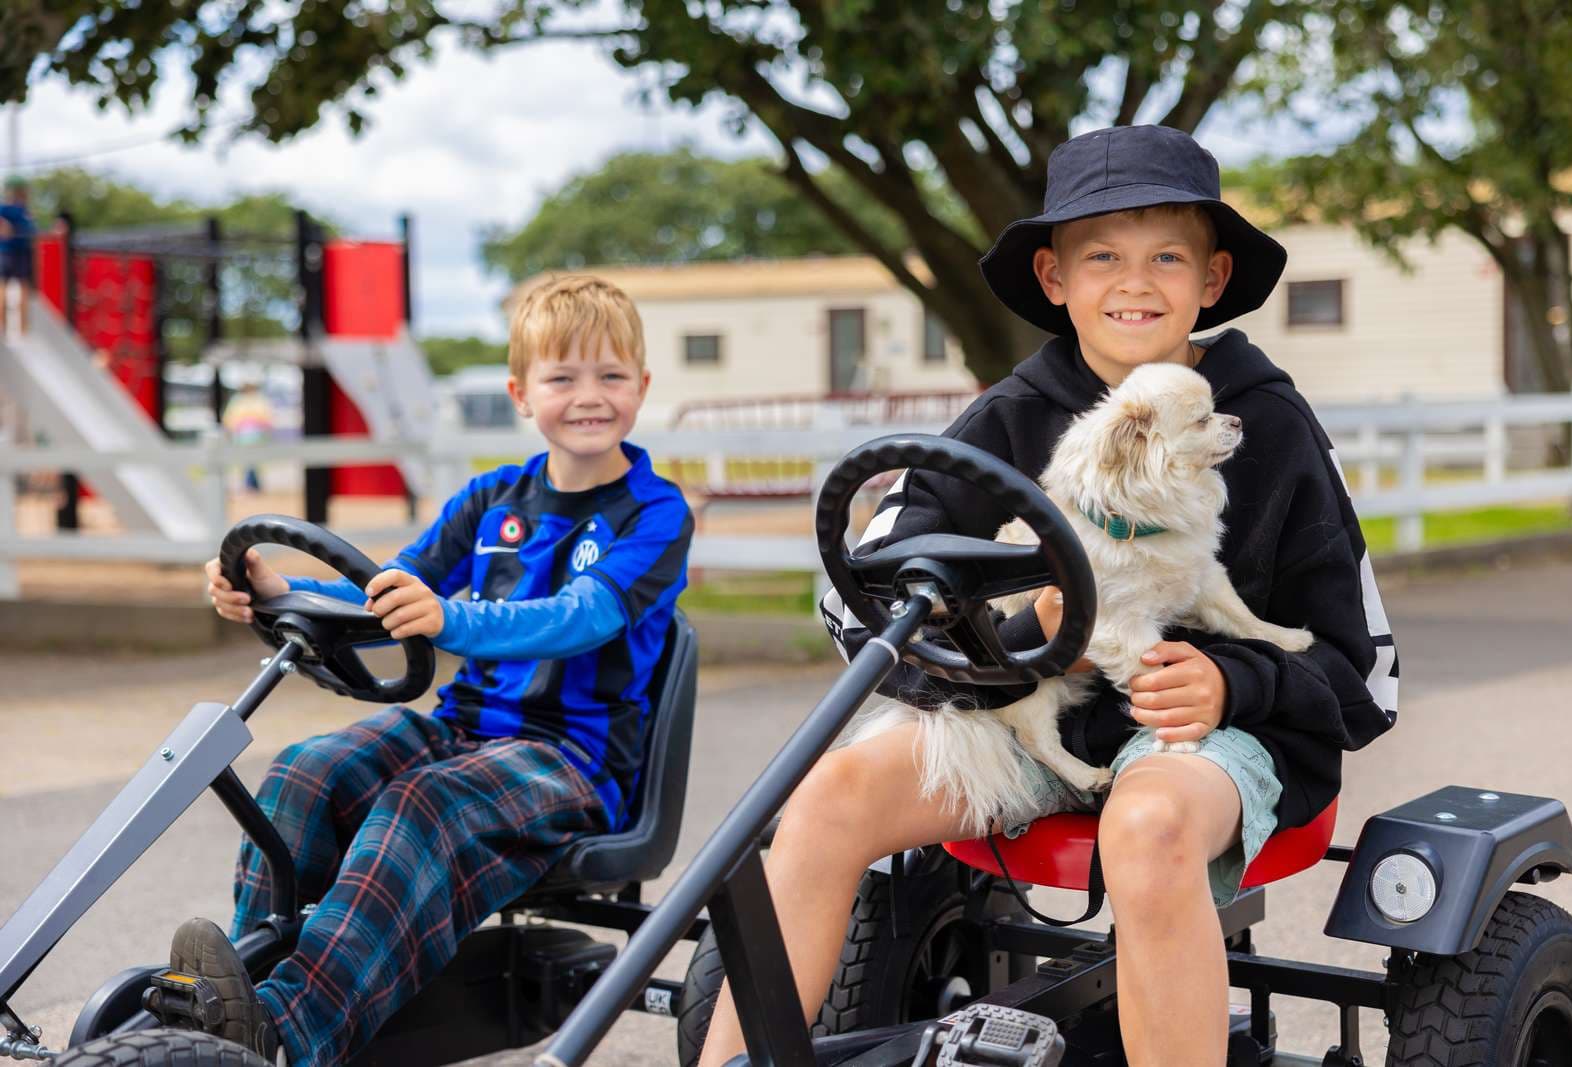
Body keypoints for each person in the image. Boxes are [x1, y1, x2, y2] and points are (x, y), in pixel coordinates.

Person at [698, 124, 1399, 1067]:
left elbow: (1364, 670)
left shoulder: (1265, 424)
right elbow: (872, 598)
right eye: (1102, 255)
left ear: (1214, 278)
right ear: (1056, 278)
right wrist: (1020, 631)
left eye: (1167, 257)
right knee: (828, 792)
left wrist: (1233, 685)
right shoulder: (1006, 419)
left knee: (1144, 822)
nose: (1136, 283)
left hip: (1208, 735)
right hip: (1032, 715)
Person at [168, 274, 694, 1065]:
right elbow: (386, 590)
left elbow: (583, 616)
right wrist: (279, 590)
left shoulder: (655, 513)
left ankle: (286, 1033)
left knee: (427, 802)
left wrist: (453, 617)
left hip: (570, 762)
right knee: (305, 771)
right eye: (563, 377)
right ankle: (238, 996)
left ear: (642, 386)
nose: (590, 396)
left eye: (612, 376)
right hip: (458, 731)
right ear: (523, 392)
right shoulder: (491, 500)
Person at [221, 381, 275, 491]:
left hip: (255, 434)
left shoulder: (254, 400)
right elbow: (230, 419)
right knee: (249, 460)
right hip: (244, 434)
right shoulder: (244, 400)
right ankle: (251, 484)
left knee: (253, 460)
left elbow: (267, 418)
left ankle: (251, 484)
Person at [0, 177, 36, 338]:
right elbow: (32, 232)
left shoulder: (4, 209)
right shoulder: (21, 210)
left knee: (3, 287)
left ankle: (3, 327)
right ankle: (23, 329)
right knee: (22, 288)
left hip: (6, 252)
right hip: (18, 253)